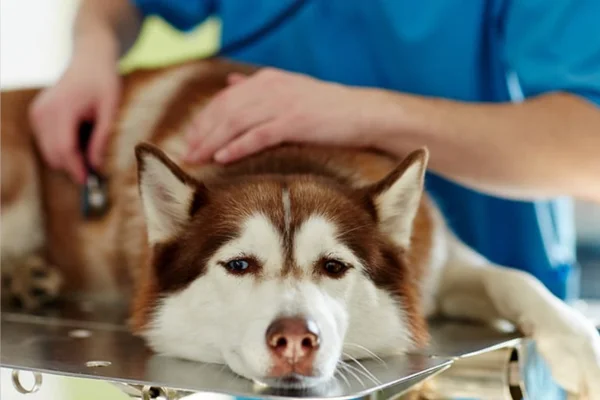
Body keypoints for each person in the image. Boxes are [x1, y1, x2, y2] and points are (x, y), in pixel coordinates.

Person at [30, 0, 600, 305]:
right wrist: (91, 49)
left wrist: (362, 114)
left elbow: (588, 152)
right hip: (266, 321)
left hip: (465, 320)